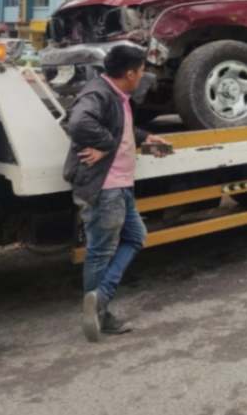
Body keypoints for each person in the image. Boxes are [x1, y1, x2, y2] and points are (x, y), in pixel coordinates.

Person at [62, 44, 171, 343]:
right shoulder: (98, 93)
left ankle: (98, 300)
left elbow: (120, 129)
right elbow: (78, 122)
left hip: (120, 184)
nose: (143, 76)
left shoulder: (115, 94)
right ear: (130, 73)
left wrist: (146, 138)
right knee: (100, 251)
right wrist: (108, 144)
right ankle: (100, 309)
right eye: (142, 71)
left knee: (135, 236)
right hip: (105, 187)